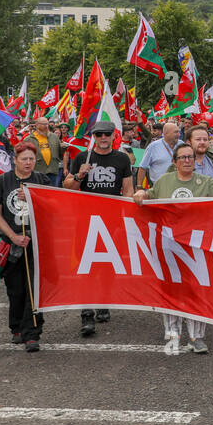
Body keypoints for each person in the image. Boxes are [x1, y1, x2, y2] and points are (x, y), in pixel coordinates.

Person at [134, 141, 213, 354]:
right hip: (168, 242)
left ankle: (196, 337)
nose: (187, 161)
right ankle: (173, 334)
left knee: (196, 289)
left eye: (190, 157)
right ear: (174, 161)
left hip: (196, 244)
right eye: (182, 157)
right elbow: (150, 194)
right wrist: (141, 194)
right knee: (171, 287)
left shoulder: (205, 182)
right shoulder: (165, 181)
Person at [63, 120, 133, 335]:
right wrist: (79, 175)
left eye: (107, 134)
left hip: (111, 220)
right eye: (99, 134)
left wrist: (126, 216)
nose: (103, 137)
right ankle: (86, 314)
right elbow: (67, 186)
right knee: (86, 266)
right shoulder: (83, 157)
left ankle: (103, 300)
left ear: (114, 136)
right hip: (86, 219)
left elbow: (128, 189)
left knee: (107, 265)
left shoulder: (121, 158)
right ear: (94, 136)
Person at [0, 141, 50, 352]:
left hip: (35, 242)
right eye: (24, 159)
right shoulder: (3, 181)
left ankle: (32, 333)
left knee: (33, 288)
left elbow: (52, 209)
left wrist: (34, 198)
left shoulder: (41, 180)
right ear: (14, 160)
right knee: (15, 290)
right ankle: (16, 327)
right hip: (10, 243)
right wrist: (13, 236)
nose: (28, 163)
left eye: (32, 159)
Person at [137, 120, 180, 189]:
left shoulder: (182, 145)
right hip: (158, 188)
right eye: (176, 132)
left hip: (179, 187)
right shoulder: (153, 146)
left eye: (179, 132)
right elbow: (142, 167)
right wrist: (139, 187)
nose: (179, 134)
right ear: (166, 133)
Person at [26, 118, 66, 186]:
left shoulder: (54, 137)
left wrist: (63, 148)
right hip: (37, 171)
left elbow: (60, 154)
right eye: (44, 124)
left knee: (51, 193)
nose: (46, 126)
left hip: (52, 170)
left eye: (47, 124)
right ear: (37, 125)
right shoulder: (29, 139)